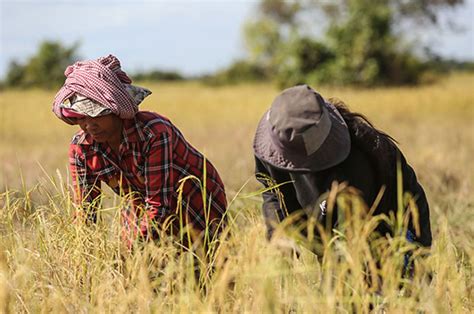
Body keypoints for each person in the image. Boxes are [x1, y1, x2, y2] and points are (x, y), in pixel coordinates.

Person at [52, 55, 227, 248]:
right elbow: (85, 210)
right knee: (137, 271)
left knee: (205, 266)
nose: (89, 125)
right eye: (81, 117)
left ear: (116, 110)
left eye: (96, 115)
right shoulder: (82, 148)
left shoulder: (153, 133)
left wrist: (131, 251)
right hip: (139, 203)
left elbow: (159, 205)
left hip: (195, 199)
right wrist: (86, 257)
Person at [253, 84, 432, 257]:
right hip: (332, 234)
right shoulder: (277, 139)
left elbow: (346, 252)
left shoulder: (354, 166)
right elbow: (272, 193)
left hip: (390, 235)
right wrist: (280, 239)